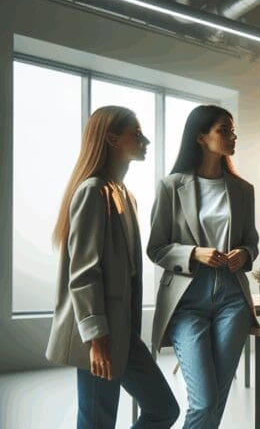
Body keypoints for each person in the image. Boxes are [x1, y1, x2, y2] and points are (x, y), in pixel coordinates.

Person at [46, 106, 179, 428]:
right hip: (101, 335)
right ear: (112, 138)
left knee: (163, 409)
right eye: (137, 134)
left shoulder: (124, 195)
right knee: (97, 421)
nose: (146, 141)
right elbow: (84, 273)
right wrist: (97, 340)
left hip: (124, 334)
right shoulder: (93, 191)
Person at [148, 105, 260, 428]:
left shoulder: (243, 190)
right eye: (223, 130)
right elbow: (156, 248)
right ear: (200, 137)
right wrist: (194, 253)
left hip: (232, 299)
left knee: (217, 398)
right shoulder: (171, 186)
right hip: (187, 301)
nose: (232, 136)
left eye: (233, 131)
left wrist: (244, 254)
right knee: (205, 400)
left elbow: (252, 242)